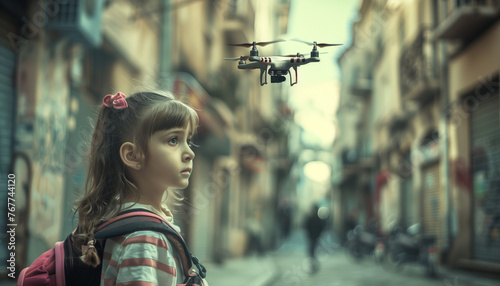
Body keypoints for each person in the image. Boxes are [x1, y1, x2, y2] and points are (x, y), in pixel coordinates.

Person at [72, 91, 206, 285]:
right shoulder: (145, 239)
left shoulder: (120, 218)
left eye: (189, 140)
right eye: (173, 140)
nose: (189, 153)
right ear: (133, 155)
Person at [304, 204, 326, 273]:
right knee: (312, 252)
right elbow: (306, 227)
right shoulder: (314, 218)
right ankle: (313, 266)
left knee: (312, 252)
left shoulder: (314, 219)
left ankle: (313, 266)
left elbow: (306, 227)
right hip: (313, 237)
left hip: (313, 237)